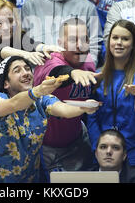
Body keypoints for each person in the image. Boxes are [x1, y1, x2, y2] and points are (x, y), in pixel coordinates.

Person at [0, 0, 63, 183]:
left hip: (15, 123)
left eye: (10, 21)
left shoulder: (20, 40)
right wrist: (24, 54)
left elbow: (33, 44)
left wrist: (43, 47)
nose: (6, 27)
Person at [0, 55, 100, 182]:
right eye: (17, 70)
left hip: (31, 179)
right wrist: (37, 91)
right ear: (6, 83)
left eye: (27, 68)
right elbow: (13, 104)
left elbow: (64, 110)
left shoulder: (41, 100)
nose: (26, 73)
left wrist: (84, 107)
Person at [88, 19, 135, 181]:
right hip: (106, 156)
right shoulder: (98, 76)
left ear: (133, 44)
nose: (119, 43)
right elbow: (91, 116)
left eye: (125, 39)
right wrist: (98, 148)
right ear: (108, 41)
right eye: (115, 38)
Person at [33, 17, 101, 173]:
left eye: (84, 39)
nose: (79, 45)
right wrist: (73, 72)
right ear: (60, 43)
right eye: (72, 40)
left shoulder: (88, 61)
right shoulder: (49, 60)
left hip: (76, 138)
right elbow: (58, 73)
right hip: (46, 146)